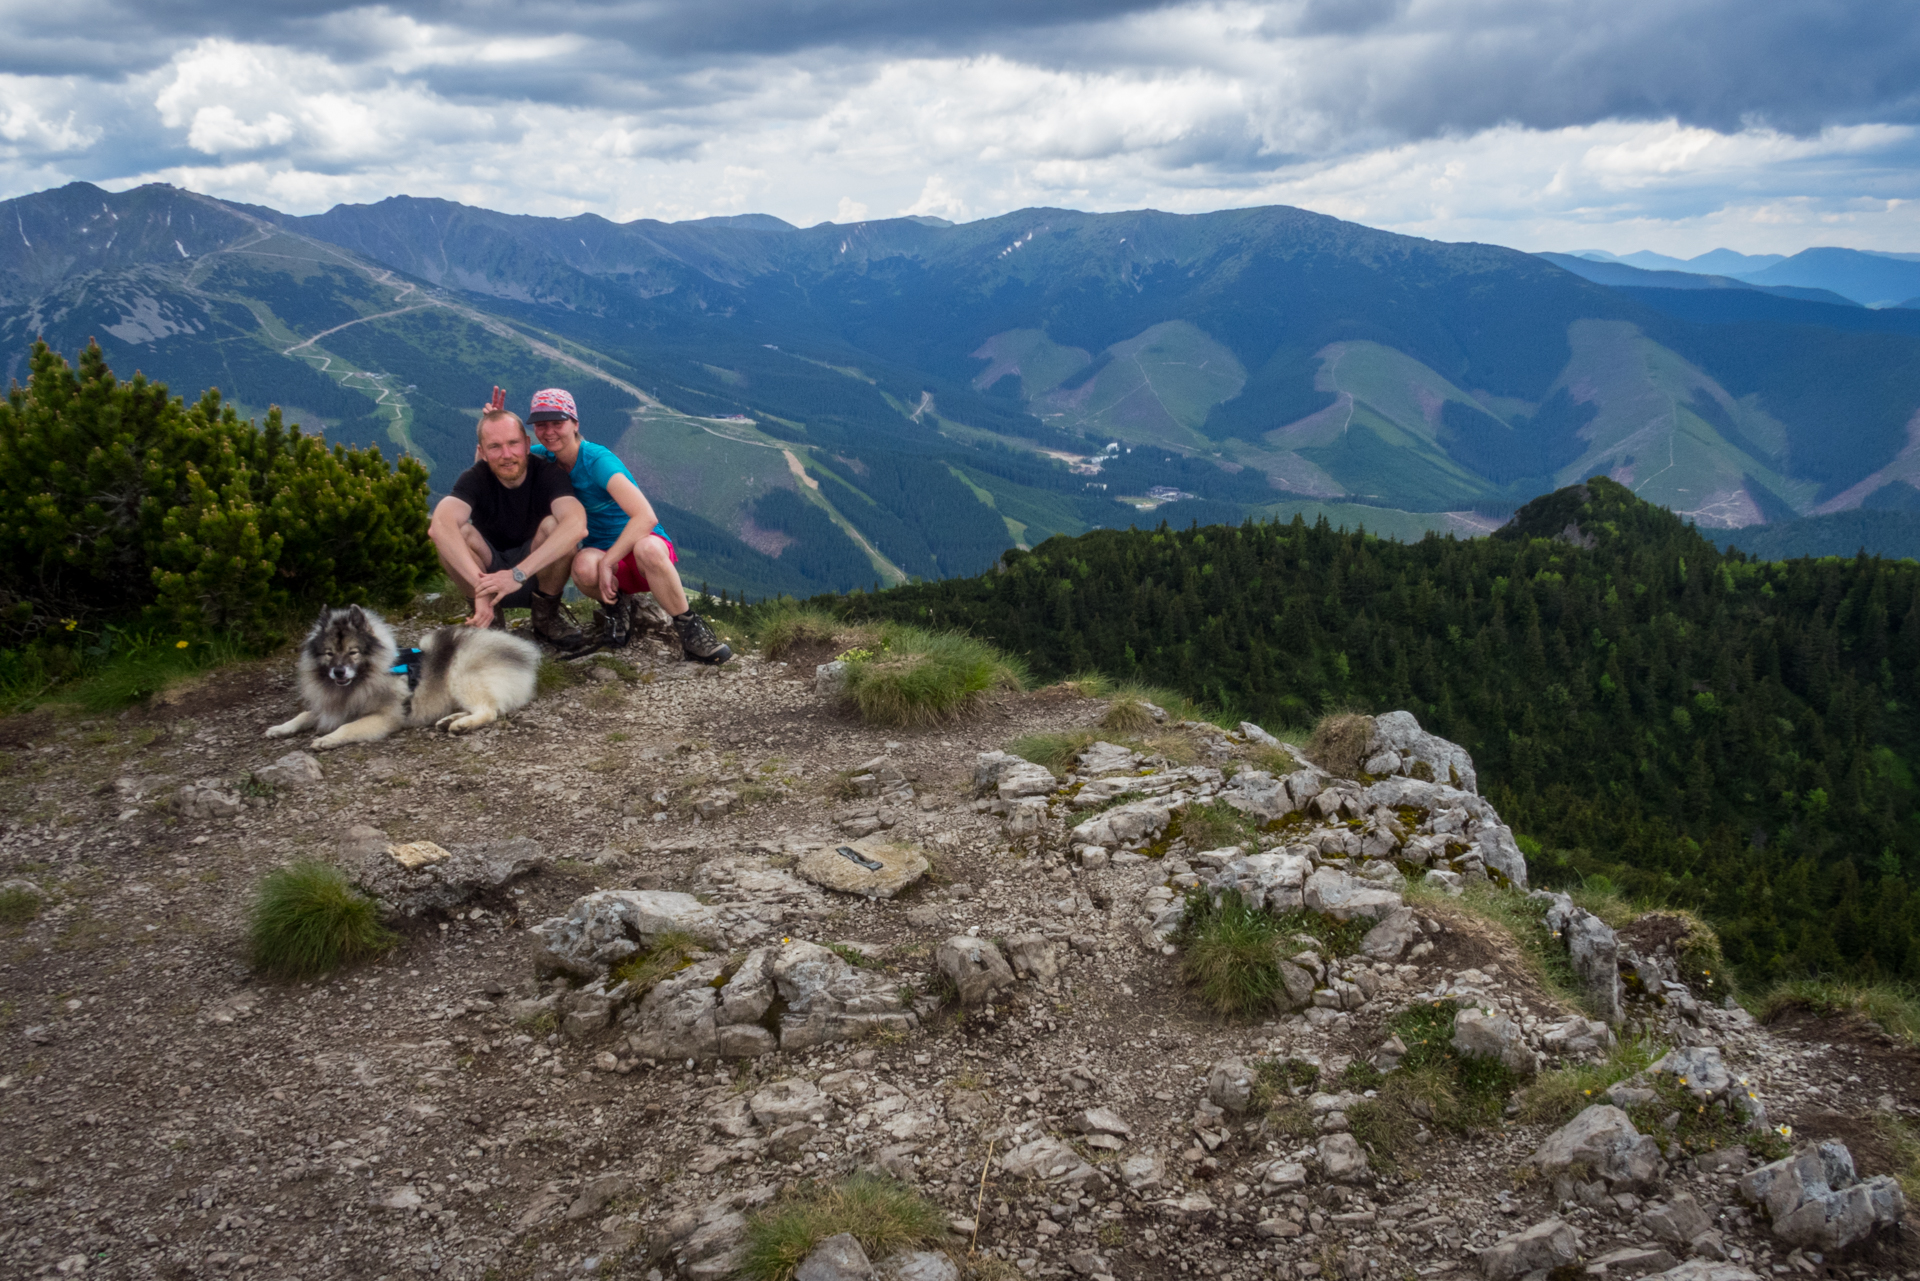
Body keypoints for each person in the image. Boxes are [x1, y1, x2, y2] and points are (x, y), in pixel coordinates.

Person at [524, 387, 732, 663]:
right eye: (541, 425)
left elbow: (646, 517)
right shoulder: (545, 456)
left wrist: (609, 562)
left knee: (648, 549)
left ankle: (690, 629)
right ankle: (617, 608)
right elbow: (502, 460)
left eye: (558, 423)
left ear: (575, 423)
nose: (549, 432)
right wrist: (494, 424)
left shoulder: (597, 461)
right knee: (583, 567)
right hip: (602, 552)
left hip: (640, 545)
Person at [427, 395, 588, 646]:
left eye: (513, 443)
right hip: (487, 574)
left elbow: (576, 526)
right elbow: (440, 525)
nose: (506, 454)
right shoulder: (474, 477)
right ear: (482, 451)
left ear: (526, 444)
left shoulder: (548, 474)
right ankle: (488, 620)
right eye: (495, 447)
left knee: (556, 527)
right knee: (455, 533)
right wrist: (479, 586)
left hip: (536, 573)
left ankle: (546, 617)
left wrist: (518, 574)